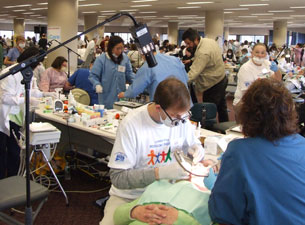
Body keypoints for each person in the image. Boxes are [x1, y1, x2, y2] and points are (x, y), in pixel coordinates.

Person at [100, 78, 213, 225]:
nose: (180, 121)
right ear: (158, 108)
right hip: (131, 196)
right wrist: (159, 174)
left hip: (167, 192)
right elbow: (118, 178)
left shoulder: (181, 120)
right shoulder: (132, 124)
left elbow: (191, 144)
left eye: (183, 116)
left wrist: (196, 149)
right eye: (175, 117)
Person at [209, 78, 305, 225]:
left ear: (246, 115)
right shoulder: (301, 144)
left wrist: (216, 182)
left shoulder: (239, 152)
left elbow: (222, 214)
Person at [0, 47, 56, 179]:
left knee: (15, 151)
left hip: (17, 117)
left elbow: (31, 89)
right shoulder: (9, 73)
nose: (38, 66)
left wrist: (45, 94)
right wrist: (25, 99)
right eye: (37, 63)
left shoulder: (27, 72)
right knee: (3, 151)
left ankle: (13, 179)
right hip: (5, 116)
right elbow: (4, 97)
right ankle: (3, 181)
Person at [182, 28, 229, 122]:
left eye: (188, 43)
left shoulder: (203, 53)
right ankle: (225, 126)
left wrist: (180, 82)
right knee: (221, 107)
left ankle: (209, 131)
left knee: (208, 111)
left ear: (195, 39)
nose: (188, 46)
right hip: (221, 78)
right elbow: (205, 57)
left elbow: (193, 74)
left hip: (213, 84)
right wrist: (191, 60)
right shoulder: (209, 41)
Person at [118, 50, 189, 101]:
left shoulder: (148, 66)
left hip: (165, 108)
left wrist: (124, 94)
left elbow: (134, 91)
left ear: (142, 53)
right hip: (185, 103)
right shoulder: (175, 59)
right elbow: (186, 78)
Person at [89, 36, 134, 109]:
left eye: (122, 48)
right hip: (106, 97)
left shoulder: (125, 58)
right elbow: (93, 76)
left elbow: (129, 74)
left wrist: (138, 82)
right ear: (111, 48)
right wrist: (97, 84)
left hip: (121, 97)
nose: (120, 51)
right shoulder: (101, 60)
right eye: (117, 48)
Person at [233, 43, 282, 111]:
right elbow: (248, 92)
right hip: (245, 102)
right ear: (252, 53)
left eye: (262, 53)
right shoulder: (246, 68)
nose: (260, 55)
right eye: (257, 52)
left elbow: (277, 80)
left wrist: (277, 70)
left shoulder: (267, 64)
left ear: (266, 54)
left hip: (262, 101)